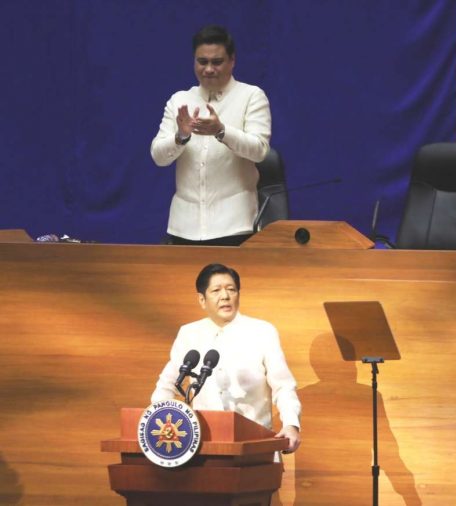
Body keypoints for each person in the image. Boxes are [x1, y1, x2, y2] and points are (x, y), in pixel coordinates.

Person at [150, 263, 301, 453]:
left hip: (253, 446)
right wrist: (158, 423)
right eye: (216, 290)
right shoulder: (189, 333)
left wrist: (291, 424)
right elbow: (167, 385)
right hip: (202, 447)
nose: (225, 296)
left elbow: (283, 386)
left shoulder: (262, 331)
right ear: (202, 299)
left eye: (231, 290)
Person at [151, 25, 271, 246]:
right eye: (202, 61)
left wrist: (221, 131)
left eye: (216, 62)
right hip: (183, 227)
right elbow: (159, 157)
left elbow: (259, 151)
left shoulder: (251, 96)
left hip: (235, 226)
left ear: (232, 60)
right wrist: (181, 137)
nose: (208, 69)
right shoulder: (179, 100)